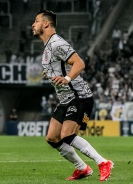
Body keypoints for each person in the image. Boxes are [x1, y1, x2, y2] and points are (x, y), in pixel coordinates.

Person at [32, 10, 114, 181]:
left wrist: (67, 78)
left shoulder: (57, 43)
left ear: (46, 24)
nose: (33, 24)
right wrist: (51, 74)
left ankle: (103, 162)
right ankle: (83, 168)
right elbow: (61, 67)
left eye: (36, 21)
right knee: (52, 138)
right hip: (65, 99)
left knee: (67, 135)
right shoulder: (48, 48)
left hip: (79, 96)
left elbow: (79, 63)